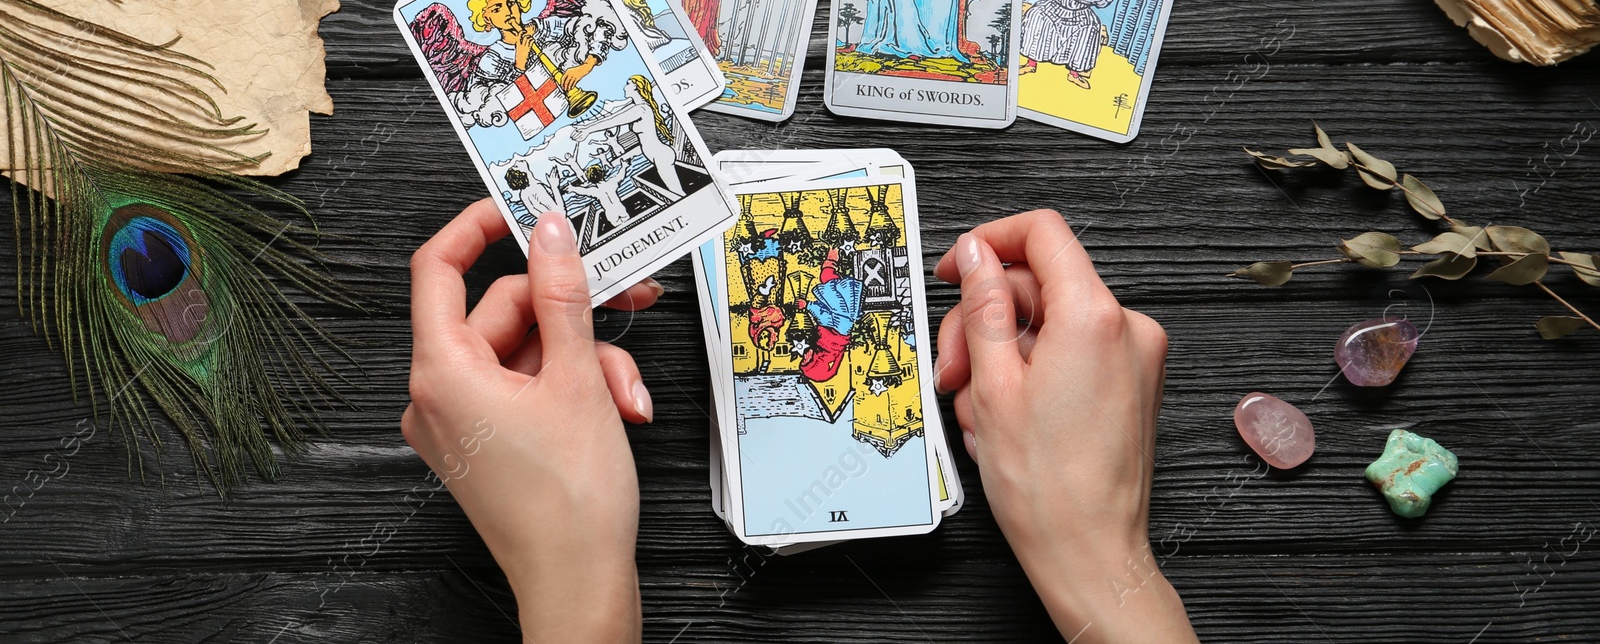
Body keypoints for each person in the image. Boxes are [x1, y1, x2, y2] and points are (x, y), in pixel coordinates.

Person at [402, 205, 1199, 643]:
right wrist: (1105, 564)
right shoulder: (812, 316)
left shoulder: (835, 313)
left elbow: (831, 329)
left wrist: (568, 578)